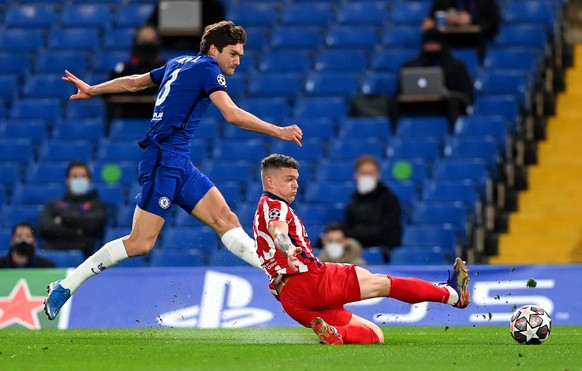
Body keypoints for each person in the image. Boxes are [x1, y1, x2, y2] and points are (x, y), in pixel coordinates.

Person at [43, 20, 303, 321]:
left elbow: (134, 82)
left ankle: (279, 273)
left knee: (226, 219)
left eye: (241, 55)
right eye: (233, 53)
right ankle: (65, 286)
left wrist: (93, 89)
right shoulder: (208, 70)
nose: (237, 60)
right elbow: (231, 114)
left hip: (179, 161)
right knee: (140, 243)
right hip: (162, 160)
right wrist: (279, 131)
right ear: (214, 49)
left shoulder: (178, 62)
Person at [253, 154, 470, 344]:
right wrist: (288, 248)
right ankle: (451, 294)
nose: (295, 185)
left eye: (296, 180)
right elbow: (278, 231)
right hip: (310, 280)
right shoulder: (275, 205)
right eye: (289, 179)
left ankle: (336, 333)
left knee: (373, 333)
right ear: (270, 181)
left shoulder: (260, 210)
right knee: (384, 284)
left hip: (291, 300)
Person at [396, 28, 474, 126]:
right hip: (415, 107)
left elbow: (466, 93)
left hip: (444, 107)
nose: (431, 48)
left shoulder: (456, 67)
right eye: (428, 44)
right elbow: (399, 92)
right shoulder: (410, 66)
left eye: (434, 44)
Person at [39, 161, 107, 259]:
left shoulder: (97, 205)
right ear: (67, 180)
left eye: (83, 176)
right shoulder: (54, 205)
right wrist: (77, 231)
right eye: (74, 176)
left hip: (85, 258)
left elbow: (95, 224)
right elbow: (45, 227)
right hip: (52, 257)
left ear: (89, 180)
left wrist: (62, 218)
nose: (79, 180)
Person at [344, 155, 402, 261]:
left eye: (370, 173)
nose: (366, 177)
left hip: (383, 252)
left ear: (378, 175)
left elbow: (389, 233)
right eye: (363, 173)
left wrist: (351, 235)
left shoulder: (389, 198)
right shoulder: (354, 199)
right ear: (356, 175)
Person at [107, 24, 167, 121]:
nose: (147, 45)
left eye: (151, 40)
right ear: (137, 40)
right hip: (127, 113)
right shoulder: (126, 68)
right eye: (143, 39)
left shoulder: (164, 68)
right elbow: (110, 86)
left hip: (157, 115)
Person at [424, 0, 501, 58]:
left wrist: (471, 19)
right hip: (447, 43)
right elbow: (432, 19)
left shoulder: (485, 2)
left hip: (476, 43)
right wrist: (448, 19)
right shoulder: (444, 1)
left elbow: (492, 21)